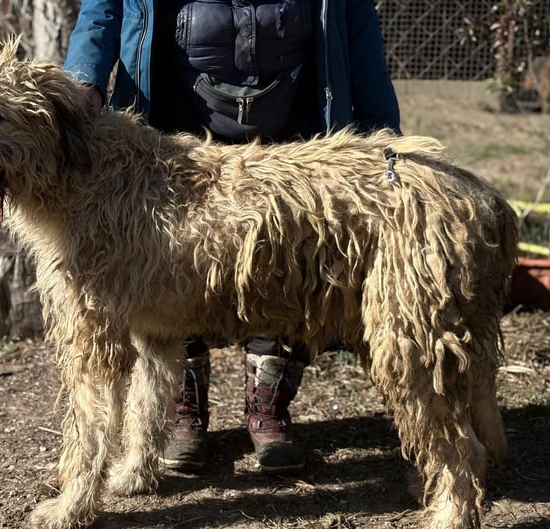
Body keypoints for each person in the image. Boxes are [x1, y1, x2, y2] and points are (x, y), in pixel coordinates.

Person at [62, 0, 401, 474]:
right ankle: (184, 412)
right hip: (171, 136)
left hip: (293, 140)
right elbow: (103, 11)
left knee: (285, 270)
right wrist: (84, 84)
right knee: (171, 271)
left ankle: (269, 408)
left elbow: (359, 36)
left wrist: (382, 138)